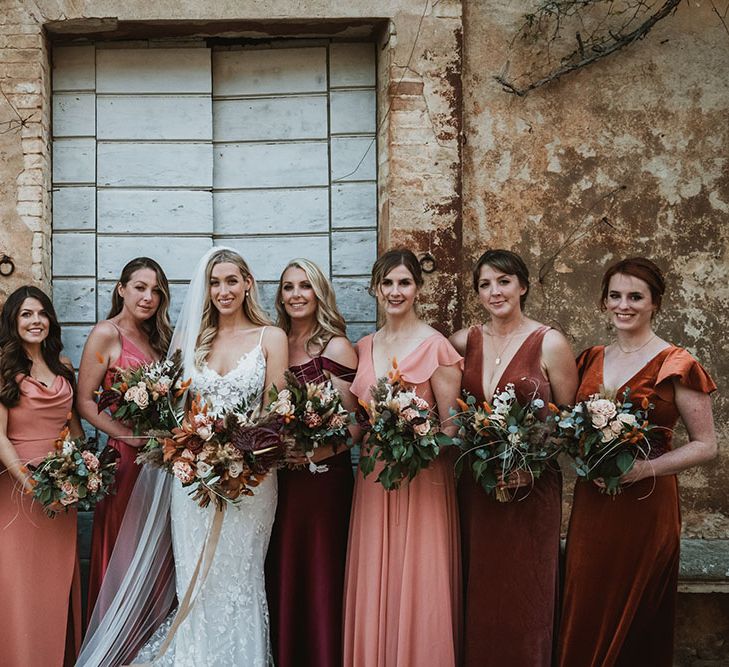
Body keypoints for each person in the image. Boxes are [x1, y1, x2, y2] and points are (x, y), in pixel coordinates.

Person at [77, 247, 288, 667]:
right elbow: (175, 411)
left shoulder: (271, 338)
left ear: (248, 284)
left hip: (252, 480)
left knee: (241, 578)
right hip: (191, 478)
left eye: (231, 280)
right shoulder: (191, 341)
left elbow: (276, 411)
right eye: (214, 282)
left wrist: (246, 454)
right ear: (204, 290)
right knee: (195, 578)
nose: (223, 290)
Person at [558, 257, 717, 667]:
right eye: (615, 295)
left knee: (637, 613)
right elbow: (572, 428)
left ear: (655, 303)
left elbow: (706, 445)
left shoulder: (676, 363)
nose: (623, 305)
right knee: (585, 602)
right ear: (603, 301)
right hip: (593, 505)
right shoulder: (590, 358)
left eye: (635, 296)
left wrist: (642, 469)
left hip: (647, 503)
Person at [449, 249, 578, 667]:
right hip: (477, 486)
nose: (494, 291)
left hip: (531, 488)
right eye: (485, 284)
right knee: (480, 588)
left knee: (526, 592)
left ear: (522, 285)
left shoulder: (550, 342)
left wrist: (531, 464)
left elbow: (568, 423)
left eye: (503, 281)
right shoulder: (464, 341)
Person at [343, 248, 463, 667]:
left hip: (422, 476)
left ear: (418, 288)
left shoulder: (437, 347)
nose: (395, 291)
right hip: (375, 474)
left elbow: (452, 425)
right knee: (376, 571)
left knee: (420, 574)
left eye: (404, 283)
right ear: (375, 288)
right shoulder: (363, 347)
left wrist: (419, 442)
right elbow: (358, 419)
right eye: (387, 283)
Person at [265, 258, 359, 667]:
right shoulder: (272, 341)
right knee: (281, 570)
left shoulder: (334, 346)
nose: (296, 295)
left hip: (323, 482)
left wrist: (318, 452)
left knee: (319, 573)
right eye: (288, 287)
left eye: (305, 286)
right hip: (277, 480)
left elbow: (358, 422)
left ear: (319, 292)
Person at [78, 257, 172, 619]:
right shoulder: (106, 334)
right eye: (140, 287)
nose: (148, 297)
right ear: (121, 289)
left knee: (157, 550)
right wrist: (126, 435)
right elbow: (85, 400)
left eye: (156, 291)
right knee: (125, 548)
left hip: (162, 462)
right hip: (125, 463)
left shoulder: (159, 339)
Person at [0, 286, 84, 666]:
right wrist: (29, 482)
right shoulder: (4, 369)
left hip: (62, 489)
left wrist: (84, 471)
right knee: (18, 582)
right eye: (26, 315)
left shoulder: (63, 366)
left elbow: (76, 430)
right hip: (18, 492)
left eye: (41, 314)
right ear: (14, 323)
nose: (35, 321)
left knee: (53, 581)